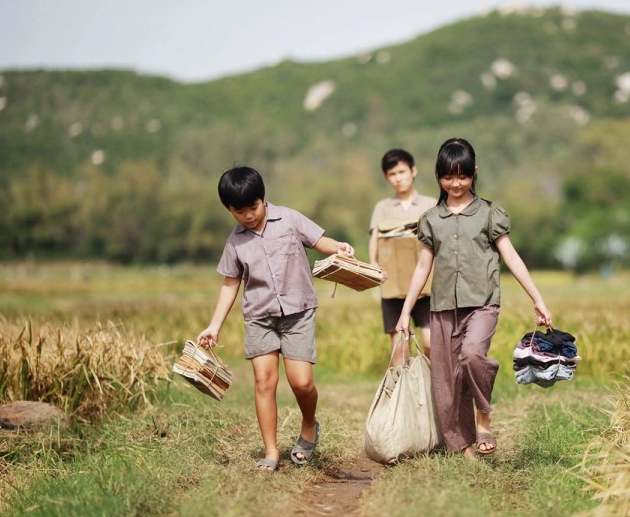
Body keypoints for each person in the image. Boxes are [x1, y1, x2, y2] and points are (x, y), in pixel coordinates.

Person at [395, 138, 552, 460]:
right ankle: (463, 447)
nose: (455, 183)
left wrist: (537, 299)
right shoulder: (430, 219)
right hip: (442, 308)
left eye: (462, 176)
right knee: (447, 382)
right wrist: (405, 311)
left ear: (474, 172)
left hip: (482, 303)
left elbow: (511, 256)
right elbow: (423, 267)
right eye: (448, 177)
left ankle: (484, 416)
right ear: (438, 175)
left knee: (471, 355)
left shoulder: (490, 214)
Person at [197, 165, 355, 473]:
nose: (248, 216)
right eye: (239, 211)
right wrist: (214, 326)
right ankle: (271, 452)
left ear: (263, 198)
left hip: (298, 313)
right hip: (259, 317)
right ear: (229, 210)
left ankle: (309, 425)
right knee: (264, 382)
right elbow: (230, 283)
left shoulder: (290, 219)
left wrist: (339, 248)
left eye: (253, 207)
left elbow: (320, 240)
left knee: (302, 383)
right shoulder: (235, 242)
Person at [368, 149, 437, 365]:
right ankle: (402, 386)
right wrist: (373, 266)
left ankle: (433, 383)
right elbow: (376, 239)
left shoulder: (430, 204)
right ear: (386, 177)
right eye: (393, 174)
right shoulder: (382, 208)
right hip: (393, 287)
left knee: (431, 343)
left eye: (402, 172)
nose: (398, 178)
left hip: (427, 288)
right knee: (399, 348)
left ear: (413, 171)